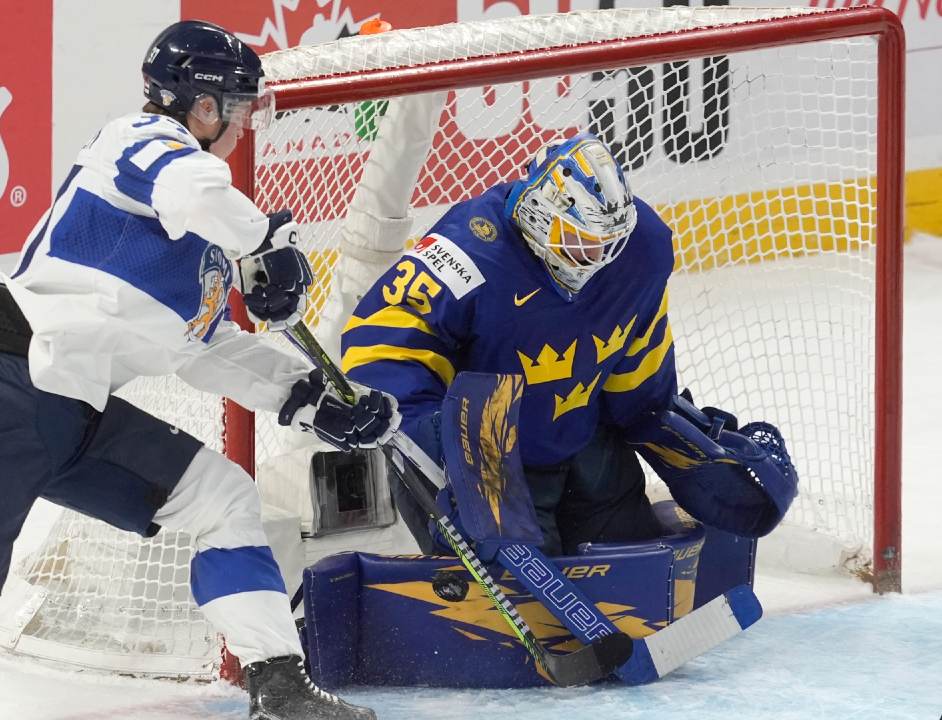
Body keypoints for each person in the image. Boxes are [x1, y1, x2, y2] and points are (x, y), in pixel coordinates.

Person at [0, 20, 397, 720]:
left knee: (224, 500)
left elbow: (206, 348)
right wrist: (266, 242)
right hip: (5, 387)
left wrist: (307, 397)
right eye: (237, 104)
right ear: (202, 106)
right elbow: (197, 192)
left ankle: (281, 689)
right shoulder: (138, 143)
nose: (244, 120)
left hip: (71, 407)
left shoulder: (198, 242)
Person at [340, 132, 796, 558]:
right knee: (516, 603)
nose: (596, 258)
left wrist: (668, 427)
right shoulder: (467, 251)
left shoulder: (642, 250)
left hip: (581, 439)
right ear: (539, 216)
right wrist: (440, 440)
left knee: (630, 572)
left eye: (606, 243)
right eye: (579, 240)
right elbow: (377, 344)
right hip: (483, 460)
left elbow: (638, 361)